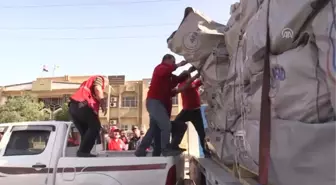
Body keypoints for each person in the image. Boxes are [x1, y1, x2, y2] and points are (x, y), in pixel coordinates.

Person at [135, 54, 191, 157]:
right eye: (172, 62)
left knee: (154, 129)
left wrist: (190, 71)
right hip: (154, 102)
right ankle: (165, 149)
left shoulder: (168, 77)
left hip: (157, 104)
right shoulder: (160, 68)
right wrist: (179, 65)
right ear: (167, 60)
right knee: (166, 125)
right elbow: (165, 71)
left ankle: (141, 150)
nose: (173, 64)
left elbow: (177, 80)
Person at [68, 75, 109, 157]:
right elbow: (97, 88)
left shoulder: (86, 85)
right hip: (83, 105)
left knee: (86, 133)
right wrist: (103, 102)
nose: (104, 87)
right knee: (95, 127)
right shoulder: (100, 78)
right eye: (106, 85)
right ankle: (83, 152)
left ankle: (83, 153)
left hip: (73, 108)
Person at [171, 72, 209, 156]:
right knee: (176, 124)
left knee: (201, 132)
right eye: (189, 77)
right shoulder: (182, 85)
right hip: (187, 111)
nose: (190, 79)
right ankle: (174, 145)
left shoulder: (193, 83)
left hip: (196, 111)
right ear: (187, 78)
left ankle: (206, 151)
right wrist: (196, 76)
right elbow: (188, 84)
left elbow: (200, 81)